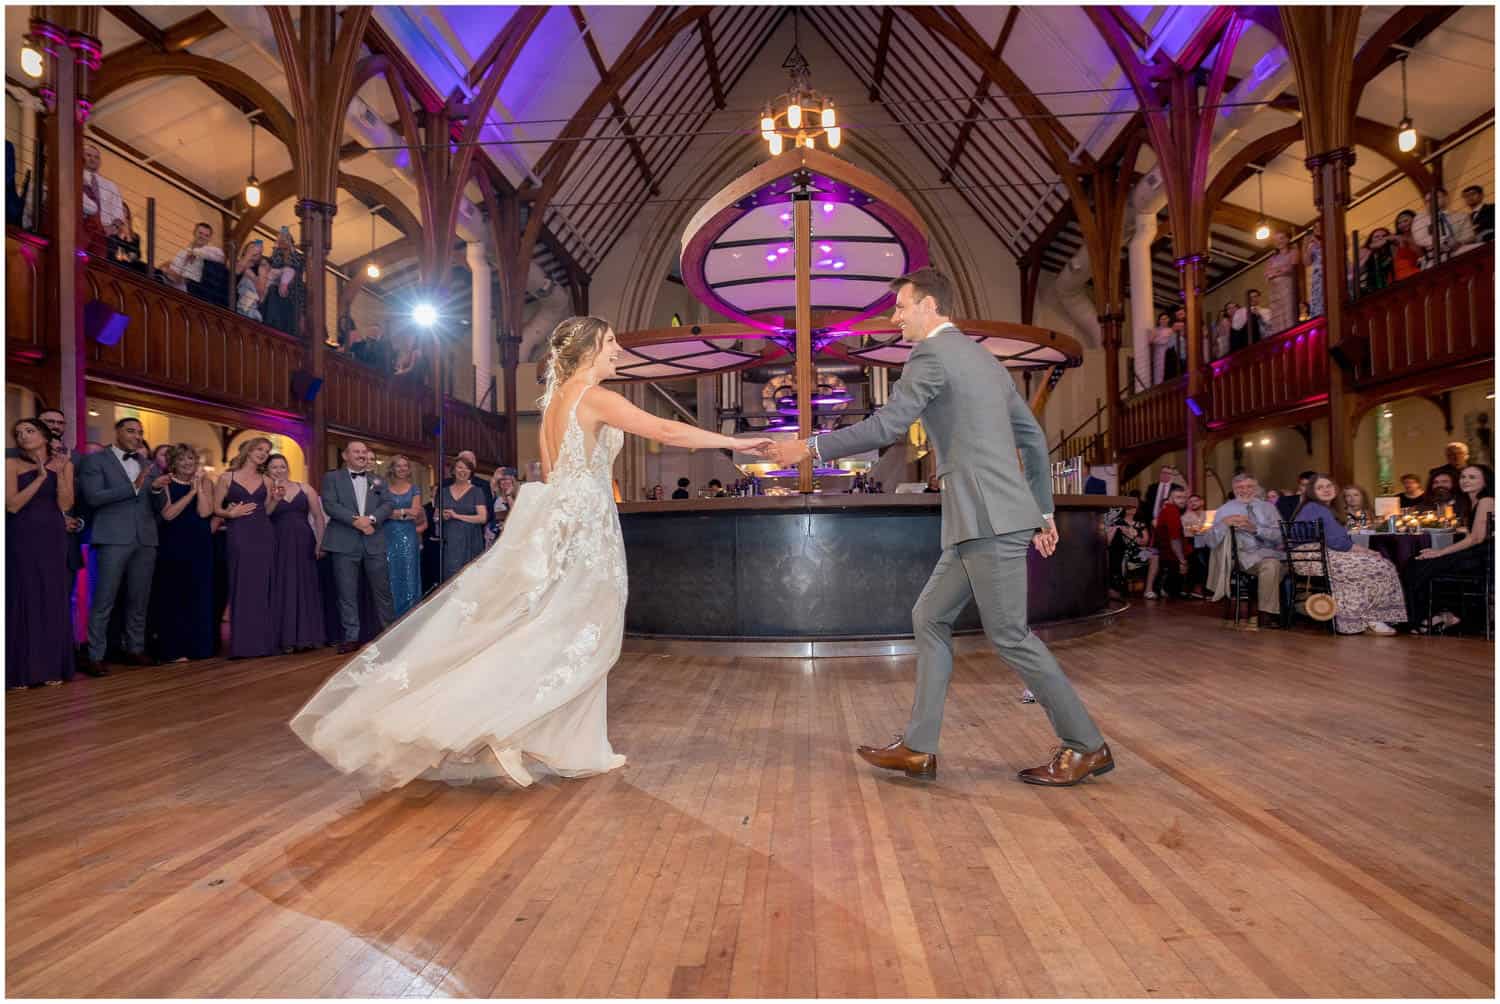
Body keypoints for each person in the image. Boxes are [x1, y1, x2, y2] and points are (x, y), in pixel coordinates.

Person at [289, 315, 773, 790]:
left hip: (567, 521)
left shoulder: (554, 403)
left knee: (560, 628)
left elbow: (555, 472)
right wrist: (738, 440)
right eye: (610, 343)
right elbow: (666, 433)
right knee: (577, 631)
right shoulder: (596, 397)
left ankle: (574, 745)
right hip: (586, 529)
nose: (617, 351)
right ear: (587, 350)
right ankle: (506, 725)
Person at [765, 268, 1111, 786]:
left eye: (901, 307)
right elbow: (1034, 440)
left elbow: (886, 427)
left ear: (929, 306)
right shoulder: (984, 360)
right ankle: (919, 748)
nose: (895, 317)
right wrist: (1040, 511)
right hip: (988, 516)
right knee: (928, 616)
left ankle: (1086, 745)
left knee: (1011, 636)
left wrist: (807, 447)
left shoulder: (930, 355)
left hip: (986, 518)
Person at [78, 417, 159, 674]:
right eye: (130, 430)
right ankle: (94, 654)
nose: (136, 435)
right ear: (117, 432)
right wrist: (133, 487)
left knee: (139, 599)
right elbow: (93, 497)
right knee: (104, 599)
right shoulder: (96, 460)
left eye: (140, 432)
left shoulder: (148, 464)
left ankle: (134, 648)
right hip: (112, 536)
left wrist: (155, 491)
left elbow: (156, 507)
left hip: (145, 538)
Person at [7, 419, 76, 688]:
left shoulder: (64, 465)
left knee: (51, 595)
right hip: (20, 535)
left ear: (46, 437)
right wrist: (40, 478)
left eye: (29, 430)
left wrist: (58, 474)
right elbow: (12, 505)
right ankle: (20, 670)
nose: (23, 436)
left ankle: (50, 667)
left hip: (52, 536)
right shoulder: (10, 464)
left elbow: (66, 504)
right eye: (18, 433)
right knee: (23, 596)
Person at [1289, 476, 1404, 635]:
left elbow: (1337, 542)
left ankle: (1361, 620)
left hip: (1314, 556)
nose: (1326, 489)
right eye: (1320, 487)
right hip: (1312, 558)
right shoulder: (1317, 508)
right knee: (1380, 565)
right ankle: (1369, 618)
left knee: (1368, 567)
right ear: (1312, 491)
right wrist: (1368, 552)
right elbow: (1338, 542)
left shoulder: (1321, 508)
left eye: (1329, 485)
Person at [320, 441, 398, 655]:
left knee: (383, 591)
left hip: (373, 541)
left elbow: (389, 504)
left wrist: (371, 519)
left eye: (364, 452)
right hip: (344, 541)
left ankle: (389, 633)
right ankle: (351, 637)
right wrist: (356, 521)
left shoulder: (378, 480)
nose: (362, 455)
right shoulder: (332, 478)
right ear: (346, 455)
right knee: (347, 592)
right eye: (357, 452)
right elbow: (330, 504)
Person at [147, 444, 217, 662]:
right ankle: (174, 650)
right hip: (174, 545)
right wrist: (191, 493)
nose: (188, 463)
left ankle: (198, 648)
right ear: (173, 463)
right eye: (182, 459)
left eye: (191, 459)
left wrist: (199, 488)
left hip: (200, 545)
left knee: (199, 595)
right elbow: (168, 514)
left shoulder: (205, 481)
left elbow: (205, 512)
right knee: (173, 597)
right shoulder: (166, 482)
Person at [1404, 464, 1493, 633]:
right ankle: (1439, 615)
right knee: (1417, 562)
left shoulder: (1486, 501)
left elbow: (1477, 538)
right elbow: (1471, 535)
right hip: (1476, 552)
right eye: (1463, 477)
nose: (1465, 480)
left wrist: (1440, 552)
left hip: (1486, 557)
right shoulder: (1471, 501)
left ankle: (1429, 617)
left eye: (1472, 477)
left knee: (1422, 564)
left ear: (1485, 482)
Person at [214, 438, 278, 659]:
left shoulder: (267, 480)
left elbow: (268, 511)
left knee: (261, 587)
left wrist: (276, 500)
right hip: (239, 533)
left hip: (264, 534)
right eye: (259, 449)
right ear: (249, 450)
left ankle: (262, 644)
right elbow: (216, 508)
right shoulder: (226, 477)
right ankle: (241, 646)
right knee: (241, 585)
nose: (263, 454)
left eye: (267, 451)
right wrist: (230, 514)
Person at [1196, 472, 1285, 629]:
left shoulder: (1269, 508)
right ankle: (1265, 615)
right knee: (1271, 566)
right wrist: (1223, 524)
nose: (1245, 490)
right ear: (1234, 489)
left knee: (1275, 564)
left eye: (1249, 486)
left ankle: (1273, 611)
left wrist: (1255, 529)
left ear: (1256, 488)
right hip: (1245, 558)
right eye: (1240, 487)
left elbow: (1282, 537)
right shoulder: (1224, 510)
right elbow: (1209, 541)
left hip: (1273, 553)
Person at [267, 454, 327, 654]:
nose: (279, 470)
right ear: (268, 470)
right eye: (274, 467)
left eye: (282, 466)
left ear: (287, 468)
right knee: (282, 585)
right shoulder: (266, 491)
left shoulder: (305, 488)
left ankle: (307, 636)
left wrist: (320, 542)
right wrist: (274, 499)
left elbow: (318, 517)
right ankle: (285, 638)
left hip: (304, 541)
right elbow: (264, 515)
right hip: (278, 541)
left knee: (305, 584)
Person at [382, 455, 424, 617]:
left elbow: (415, 513)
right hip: (387, 535)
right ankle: (389, 616)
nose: (402, 469)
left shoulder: (414, 489)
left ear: (409, 469)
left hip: (408, 536)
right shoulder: (384, 489)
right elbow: (382, 513)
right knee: (389, 573)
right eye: (398, 466)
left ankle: (409, 616)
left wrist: (394, 513)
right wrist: (403, 512)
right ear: (392, 468)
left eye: (405, 466)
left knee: (409, 573)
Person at [440, 456, 488, 580]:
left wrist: (457, 516)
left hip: (471, 539)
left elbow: (482, 518)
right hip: (451, 540)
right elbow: (437, 515)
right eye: (460, 467)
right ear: (453, 470)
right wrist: (441, 516)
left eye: (467, 468)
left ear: (471, 472)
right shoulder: (443, 492)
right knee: (451, 578)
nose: (463, 471)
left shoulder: (477, 491)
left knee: (470, 578)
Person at [1144, 485, 1190, 600]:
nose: (1182, 500)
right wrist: (1182, 560)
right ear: (1170, 498)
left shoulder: (1169, 510)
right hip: (1169, 556)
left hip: (1167, 554)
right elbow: (1174, 539)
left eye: (1184, 497)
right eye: (1178, 497)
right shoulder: (1171, 511)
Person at [261, 227, 306, 338]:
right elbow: (273, 267)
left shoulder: (298, 257)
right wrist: (277, 248)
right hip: (277, 289)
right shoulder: (276, 255)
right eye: (281, 240)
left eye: (286, 240)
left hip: (295, 291)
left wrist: (289, 249)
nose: (283, 242)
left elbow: (297, 267)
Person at [164, 221, 226, 295]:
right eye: (200, 233)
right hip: (173, 284)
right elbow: (172, 269)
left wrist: (195, 252)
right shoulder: (183, 251)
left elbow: (222, 257)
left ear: (210, 239)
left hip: (190, 289)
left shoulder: (209, 250)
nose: (202, 237)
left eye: (206, 235)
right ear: (194, 232)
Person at [1264, 232, 1300, 333]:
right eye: (1276, 240)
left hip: (1287, 285)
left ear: (1287, 239)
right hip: (1274, 288)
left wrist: (1276, 271)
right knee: (1276, 312)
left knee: (1288, 311)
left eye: (1281, 238)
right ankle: (1279, 333)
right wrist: (1278, 271)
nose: (1279, 241)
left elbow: (1291, 267)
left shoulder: (1293, 252)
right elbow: (1267, 273)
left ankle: (1290, 332)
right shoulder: (1271, 258)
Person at [235, 240, 270, 321]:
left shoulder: (261, 269)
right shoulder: (235, 262)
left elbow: (261, 294)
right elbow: (236, 271)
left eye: (257, 249)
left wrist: (253, 277)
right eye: (252, 248)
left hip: (251, 312)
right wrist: (249, 256)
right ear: (245, 251)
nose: (255, 250)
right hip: (234, 307)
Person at [1392, 210, 1422, 281]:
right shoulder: (1396, 240)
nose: (1402, 224)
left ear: (1414, 219)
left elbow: (1421, 255)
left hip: (1417, 271)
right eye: (1399, 223)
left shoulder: (1421, 234)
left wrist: (1407, 241)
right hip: (1401, 275)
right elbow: (1395, 261)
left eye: (1405, 221)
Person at [1148, 311, 1175, 385]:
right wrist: (1160, 340)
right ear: (1159, 320)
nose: (1164, 320)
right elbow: (1150, 341)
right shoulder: (1155, 330)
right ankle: (1158, 388)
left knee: (1168, 371)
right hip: (1158, 354)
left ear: (1168, 319)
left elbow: (1172, 343)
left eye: (1165, 318)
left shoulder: (1171, 330)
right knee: (1158, 372)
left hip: (1169, 354)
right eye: (1162, 319)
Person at [1304, 222, 1324, 319]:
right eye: (1315, 227)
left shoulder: (1331, 236)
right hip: (1317, 275)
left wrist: (1318, 243)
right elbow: (1307, 263)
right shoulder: (1312, 242)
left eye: (1320, 226)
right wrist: (1308, 248)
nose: (1318, 229)